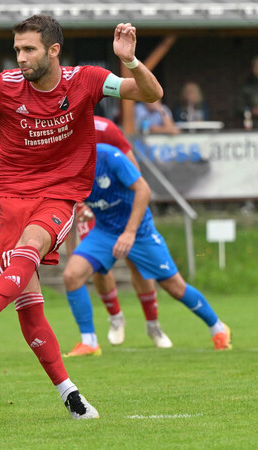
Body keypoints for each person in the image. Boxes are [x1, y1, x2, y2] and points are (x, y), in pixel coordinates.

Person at [0, 15, 164, 419]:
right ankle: (71, 395)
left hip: (58, 195)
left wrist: (131, 62)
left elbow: (150, 95)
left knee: (32, 246)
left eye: (29, 49)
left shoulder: (86, 80)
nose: (21, 57)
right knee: (30, 307)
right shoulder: (5, 86)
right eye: (17, 49)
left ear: (53, 50)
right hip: (6, 199)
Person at [62, 143, 231, 356]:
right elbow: (68, 208)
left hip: (139, 231)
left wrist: (130, 233)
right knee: (71, 275)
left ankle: (218, 328)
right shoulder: (65, 166)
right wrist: (72, 252)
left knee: (175, 287)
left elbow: (144, 189)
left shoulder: (109, 156)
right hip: (104, 231)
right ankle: (90, 342)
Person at [63, 116, 172, 356]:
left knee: (136, 262)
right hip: (91, 209)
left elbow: (133, 168)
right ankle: (115, 317)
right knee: (96, 266)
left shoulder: (106, 128)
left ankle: (153, 325)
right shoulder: (59, 128)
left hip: (119, 204)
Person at [235, 55, 258, 127]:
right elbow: (239, 107)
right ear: (254, 69)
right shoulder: (247, 86)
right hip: (253, 126)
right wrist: (252, 110)